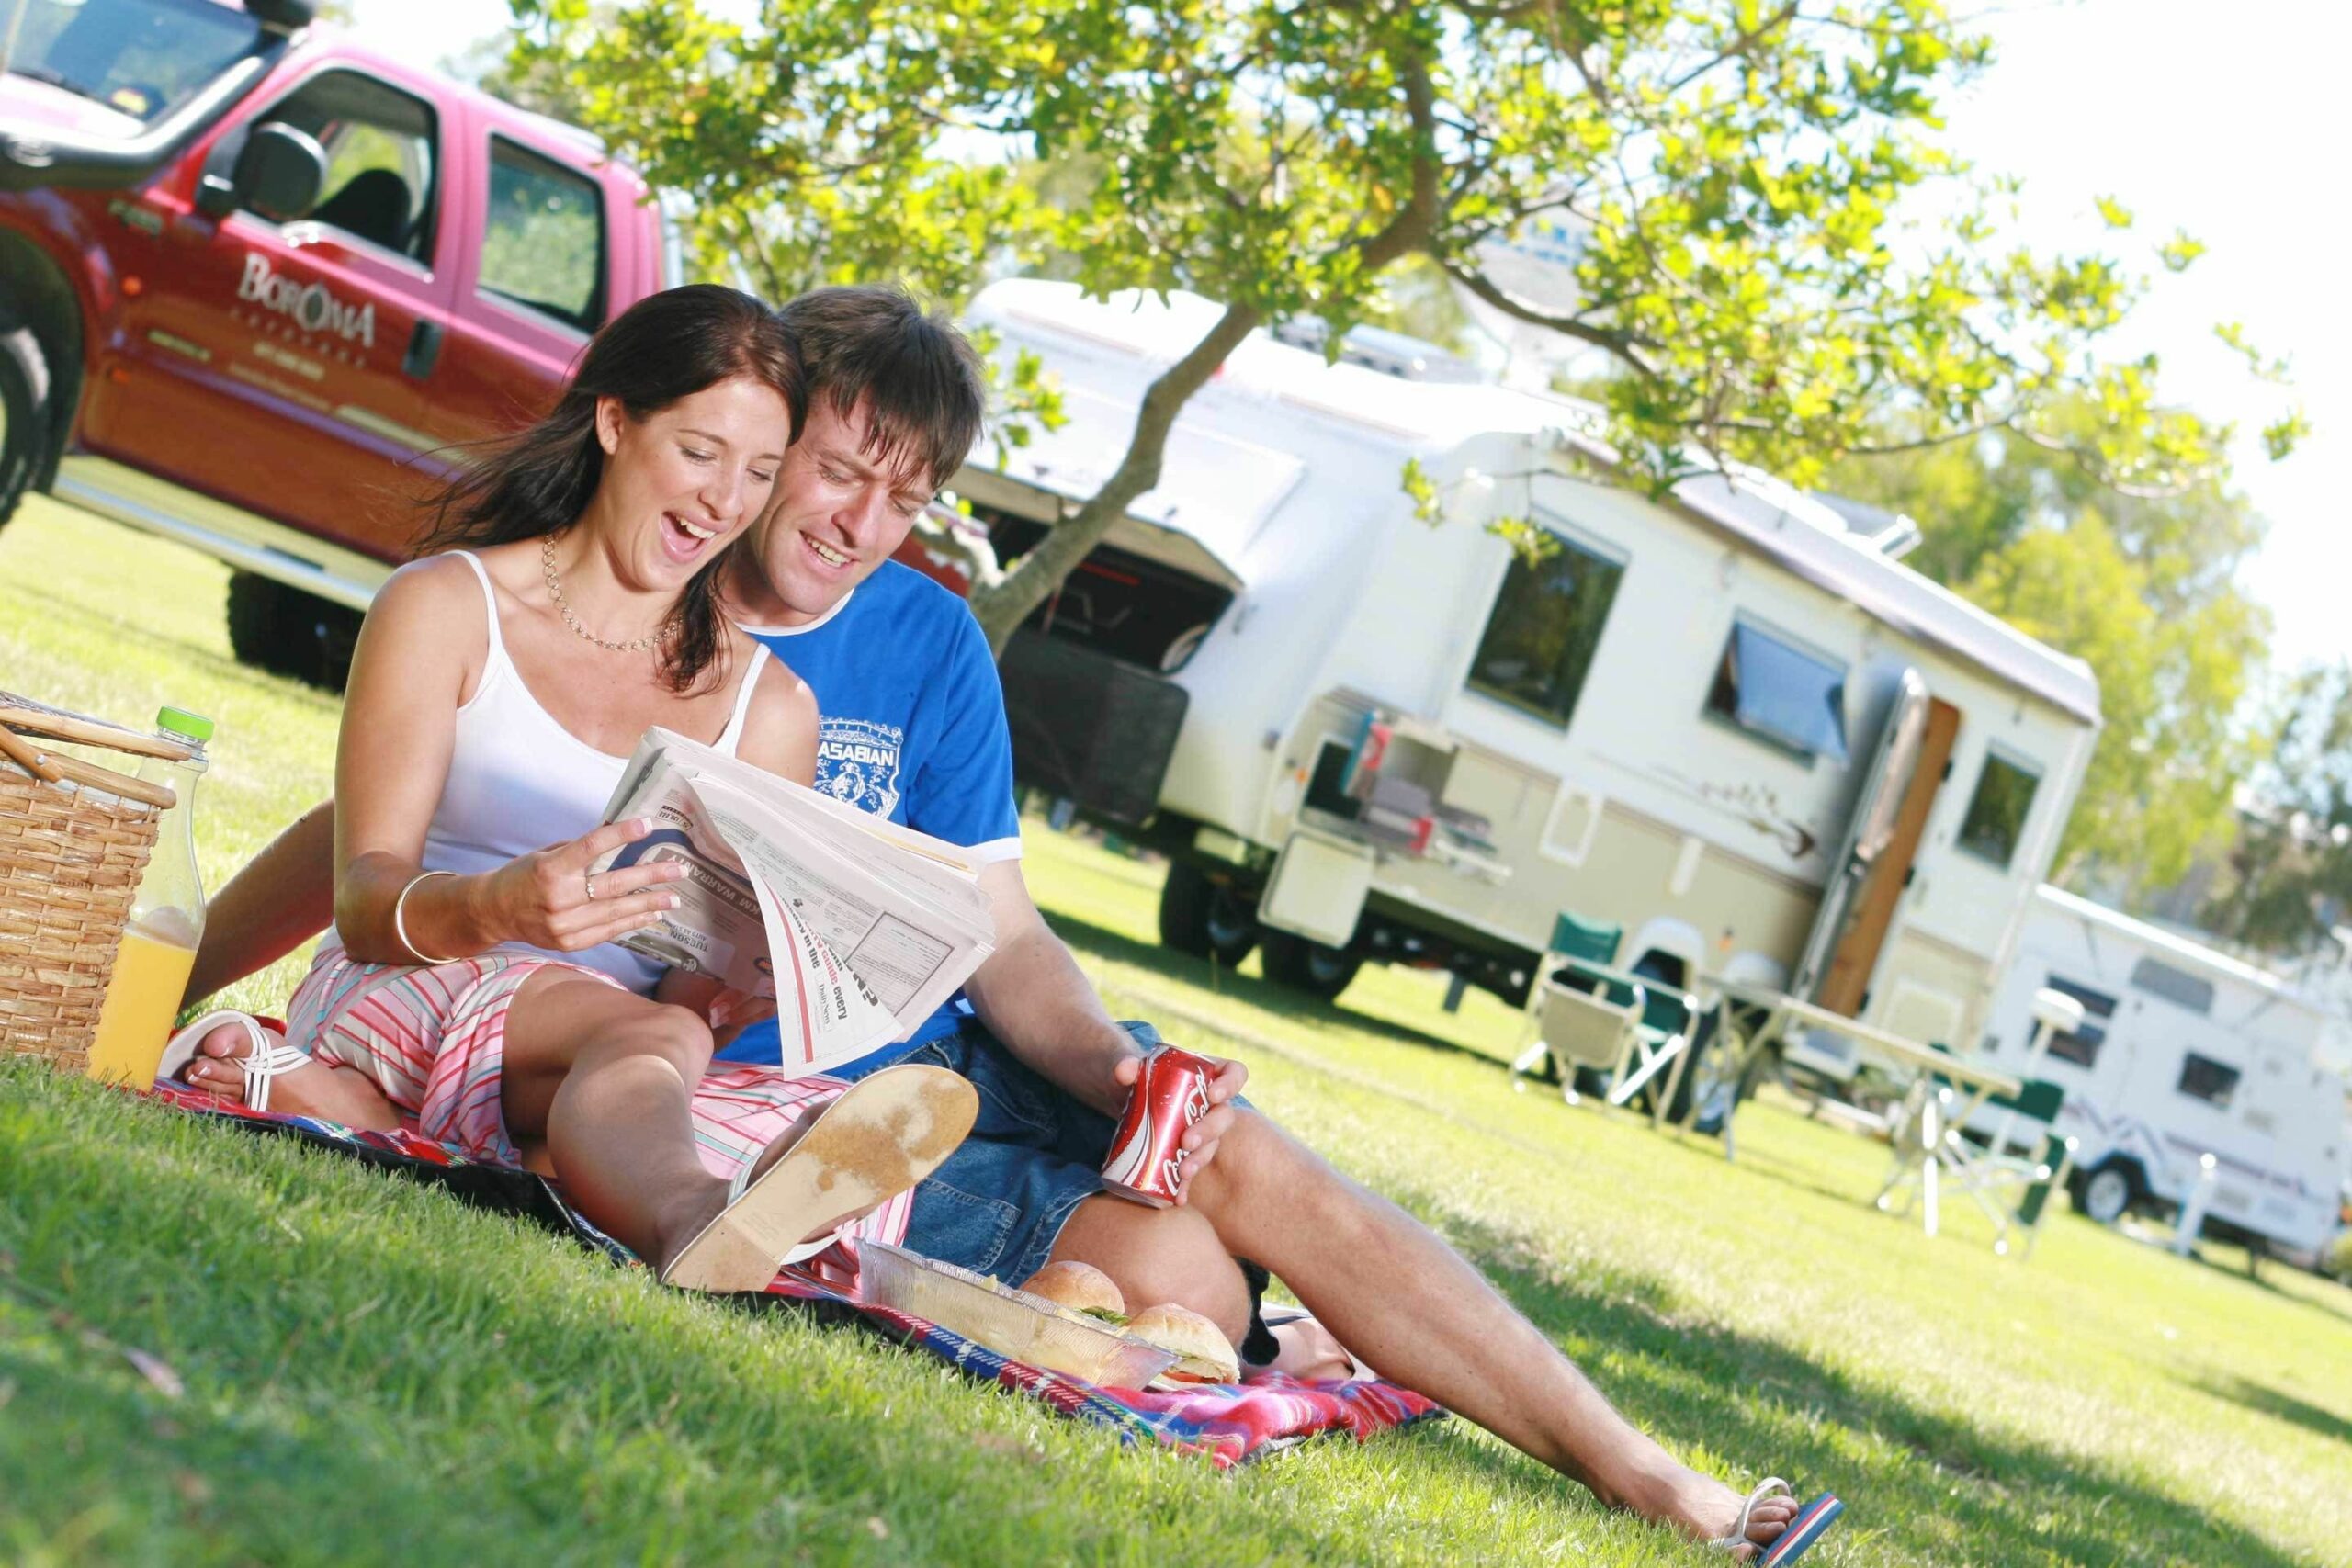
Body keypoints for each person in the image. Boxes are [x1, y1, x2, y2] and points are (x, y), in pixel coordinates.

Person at [183, 285, 1818, 1560]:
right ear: (743, 441)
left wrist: (1120, 1066)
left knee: (1214, 1164)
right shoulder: (603, 610)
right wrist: (172, 972)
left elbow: (1003, 930)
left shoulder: (914, 639)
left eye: (903, 495)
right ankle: (875, 1255)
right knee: (1187, 1276)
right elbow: (404, 824)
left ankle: (1655, 1482)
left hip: (920, 1078)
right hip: (711, 1079)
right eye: (824, 471)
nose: (850, 522)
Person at [169, 284, 976, 1293]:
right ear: (614, 421)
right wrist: (500, 905)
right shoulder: (448, 609)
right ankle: (688, 1220)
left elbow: (689, 999)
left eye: (760, 472)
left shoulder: (771, 710)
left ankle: (384, 1123)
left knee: (779, 1112)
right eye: (700, 452)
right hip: (404, 989)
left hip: (599, 1065)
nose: (726, 500)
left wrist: (736, 989)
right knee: (659, 1061)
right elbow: (365, 901)